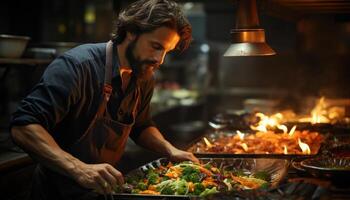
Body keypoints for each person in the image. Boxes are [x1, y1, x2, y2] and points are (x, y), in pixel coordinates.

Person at [10, 0, 199, 199]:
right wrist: (78, 168)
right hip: (58, 191)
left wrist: (169, 149)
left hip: (103, 189)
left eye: (166, 52)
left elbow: (141, 126)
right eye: (155, 46)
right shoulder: (77, 66)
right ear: (131, 32)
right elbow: (23, 127)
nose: (159, 60)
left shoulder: (143, 77)